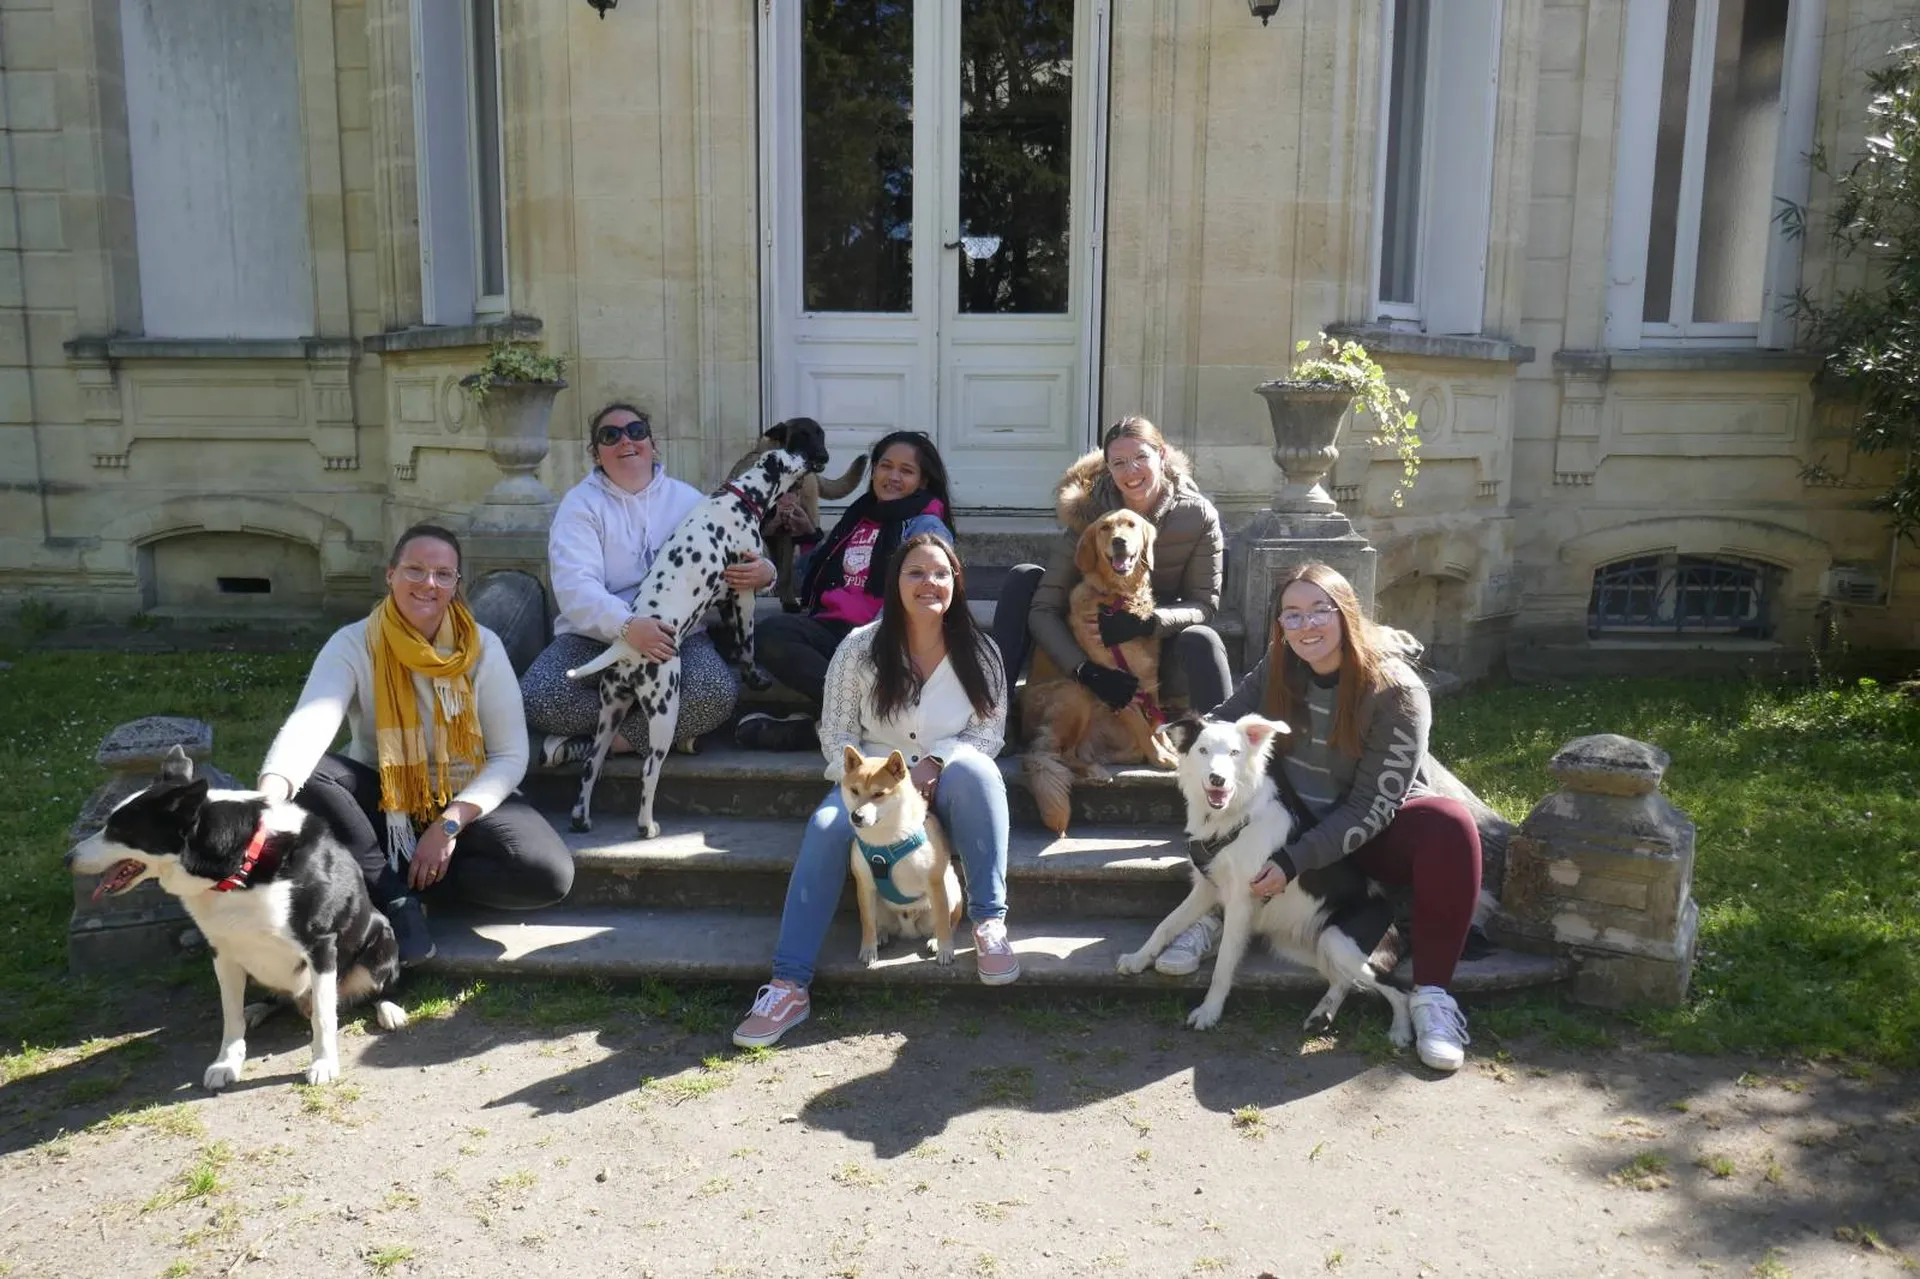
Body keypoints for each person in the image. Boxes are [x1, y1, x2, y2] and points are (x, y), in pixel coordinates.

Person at [1162, 561, 1482, 1072]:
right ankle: (1217, 913)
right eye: (1291, 615)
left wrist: (1293, 861)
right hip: (1291, 814)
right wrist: (1190, 749)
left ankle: (1433, 997)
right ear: (1279, 626)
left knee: (1450, 824)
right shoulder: (1279, 662)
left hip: (1371, 829)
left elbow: (1370, 807)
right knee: (1219, 784)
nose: (1305, 626)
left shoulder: (1396, 692)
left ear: (1346, 614)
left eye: (1319, 611)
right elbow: (1224, 719)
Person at [733, 533, 1016, 1047]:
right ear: (894, 583)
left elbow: (988, 733)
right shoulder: (859, 647)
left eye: (940, 574)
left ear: (956, 584)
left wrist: (934, 763)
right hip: (872, 792)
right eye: (915, 573)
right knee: (824, 827)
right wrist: (861, 783)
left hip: (945, 783)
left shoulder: (981, 650)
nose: (929, 583)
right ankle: (788, 984)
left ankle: (988, 922)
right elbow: (836, 731)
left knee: (980, 774)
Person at [258, 524, 575, 965]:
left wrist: (448, 826)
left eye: (444, 574)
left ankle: (411, 881)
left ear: (456, 584)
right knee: (312, 772)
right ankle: (395, 899)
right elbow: (311, 723)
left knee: (547, 876)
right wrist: (269, 795)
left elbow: (509, 754)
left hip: (463, 790)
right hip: (384, 796)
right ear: (390, 575)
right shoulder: (353, 643)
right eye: (415, 570)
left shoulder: (482, 647)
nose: (429, 583)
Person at [522, 403, 777, 764]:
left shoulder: (689, 500)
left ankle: (609, 743)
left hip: (677, 637)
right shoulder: (579, 505)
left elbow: (738, 555)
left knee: (715, 694)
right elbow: (574, 585)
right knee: (540, 696)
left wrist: (765, 573)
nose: (626, 440)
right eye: (610, 435)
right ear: (596, 453)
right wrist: (626, 625)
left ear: (652, 443)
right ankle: (669, 733)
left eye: (636, 431)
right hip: (596, 637)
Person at [735, 430, 957, 752]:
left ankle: (828, 728)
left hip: (884, 641)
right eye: (885, 466)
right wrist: (808, 538)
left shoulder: (926, 528)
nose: (892, 477)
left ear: (923, 482)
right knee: (770, 634)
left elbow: (926, 599)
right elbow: (805, 579)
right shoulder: (859, 516)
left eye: (906, 471)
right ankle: (869, 720)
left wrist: (872, 641)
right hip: (832, 632)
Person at [995, 415, 1229, 718]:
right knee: (1024, 578)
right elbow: (1044, 609)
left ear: (1161, 455)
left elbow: (1205, 604)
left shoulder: (1197, 516)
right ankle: (996, 714)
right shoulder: (1091, 514)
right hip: (1091, 644)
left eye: (1140, 457)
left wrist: (1147, 622)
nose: (1131, 471)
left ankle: (1226, 740)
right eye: (1118, 463)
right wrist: (1085, 669)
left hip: (1156, 642)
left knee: (1203, 640)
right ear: (1108, 468)